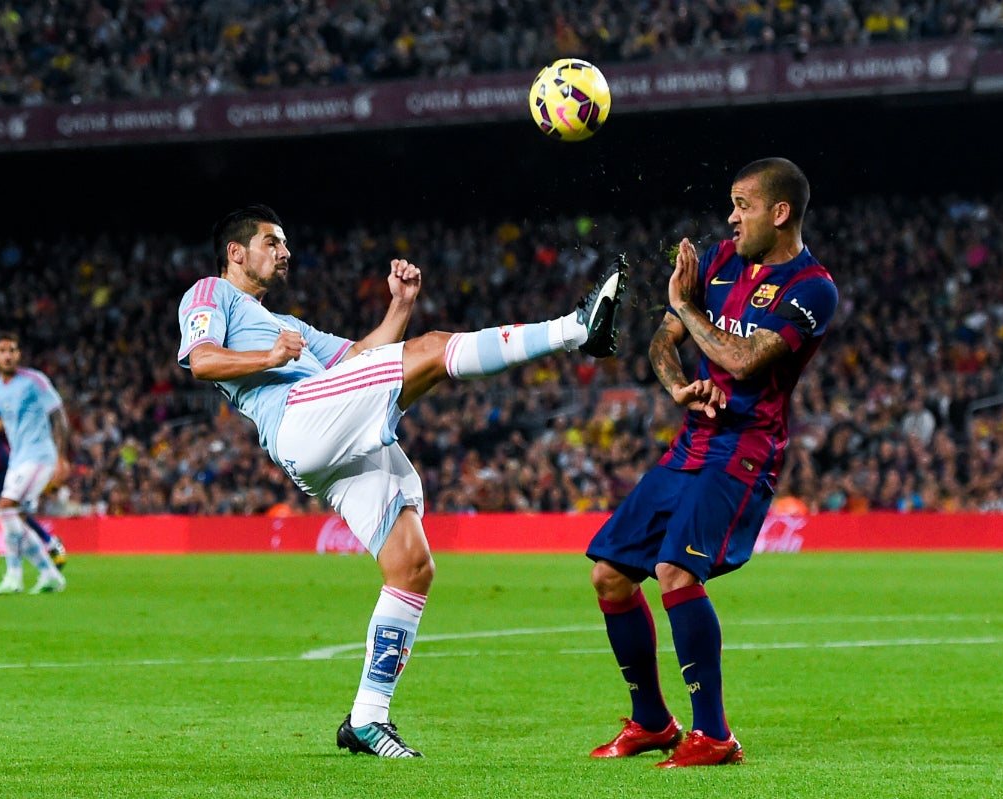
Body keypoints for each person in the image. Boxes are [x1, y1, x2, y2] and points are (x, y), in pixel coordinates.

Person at [177, 204, 627, 758]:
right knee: (436, 349)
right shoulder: (210, 294)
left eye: (285, 243)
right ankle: (575, 330)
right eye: (273, 242)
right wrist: (267, 356)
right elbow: (201, 361)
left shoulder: (288, 327)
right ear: (236, 252)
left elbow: (360, 358)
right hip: (298, 418)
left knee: (411, 566)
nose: (285, 252)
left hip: (330, 426)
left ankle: (367, 719)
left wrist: (400, 305)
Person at [587, 158, 838, 767]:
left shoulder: (813, 289)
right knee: (610, 575)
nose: (731, 217)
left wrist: (684, 304)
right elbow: (663, 342)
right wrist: (677, 387)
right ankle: (652, 722)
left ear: (779, 214)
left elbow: (747, 359)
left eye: (742, 205)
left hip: (746, 449)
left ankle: (714, 734)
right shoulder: (720, 261)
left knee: (676, 571)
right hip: (692, 441)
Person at [0, 333, 71, 595]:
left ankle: (14, 576)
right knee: (12, 515)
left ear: (18, 355)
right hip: (18, 458)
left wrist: (62, 457)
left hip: (41, 455)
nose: (8, 355)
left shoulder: (34, 381)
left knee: (6, 507)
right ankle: (49, 573)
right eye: (2, 351)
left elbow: (59, 416)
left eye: (12, 350)